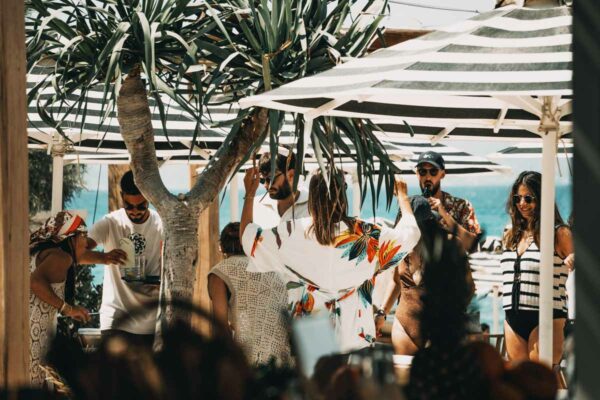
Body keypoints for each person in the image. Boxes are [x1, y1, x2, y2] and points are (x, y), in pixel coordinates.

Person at [240, 167, 420, 351]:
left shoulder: (290, 232)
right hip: (356, 335)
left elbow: (248, 239)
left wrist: (250, 195)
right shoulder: (366, 234)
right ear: (343, 196)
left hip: (309, 337)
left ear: (312, 197)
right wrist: (403, 198)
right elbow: (411, 234)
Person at [375, 196, 475, 355]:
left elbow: (469, 289)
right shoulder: (403, 246)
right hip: (404, 325)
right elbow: (396, 282)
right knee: (406, 378)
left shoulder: (450, 244)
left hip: (439, 328)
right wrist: (382, 313)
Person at [501, 171, 573, 365]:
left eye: (528, 198)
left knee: (542, 380)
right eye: (517, 198)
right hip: (512, 317)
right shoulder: (511, 234)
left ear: (542, 198)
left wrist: (573, 259)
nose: (522, 204)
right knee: (520, 382)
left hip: (547, 316)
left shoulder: (559, 233)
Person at [86, 170, 164, 346]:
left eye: (142, 206)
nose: (135, 212)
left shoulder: (161, 224)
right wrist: (103, 257)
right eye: (129, 206)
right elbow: (78, 252)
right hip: (115, 320)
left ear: (150, 198)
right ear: (122, 197)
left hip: (150, 323)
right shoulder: (110, 223)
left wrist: (164, 282)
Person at [29, 211, 106, 386]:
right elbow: (35, 283)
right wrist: (68, 309)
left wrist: (106, 258)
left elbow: (82, 257)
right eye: (83, 236)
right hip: (34, 332)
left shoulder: (42, 252)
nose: (87, 243)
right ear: (70, 238)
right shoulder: (61, 257)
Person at [208, 222, 291, 365]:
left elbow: (221, 326)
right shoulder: (272, 266)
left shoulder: (220, 272)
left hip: (252, 355)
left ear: (221, 247)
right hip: (286, 351)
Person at [413, 151, 481, 251]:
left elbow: (473, 245)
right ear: (417, 174)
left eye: (433, 171)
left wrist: (444, 214)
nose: (428, 177)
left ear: (442, 174)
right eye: (423, 171)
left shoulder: (462, 206)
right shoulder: (410, 206)